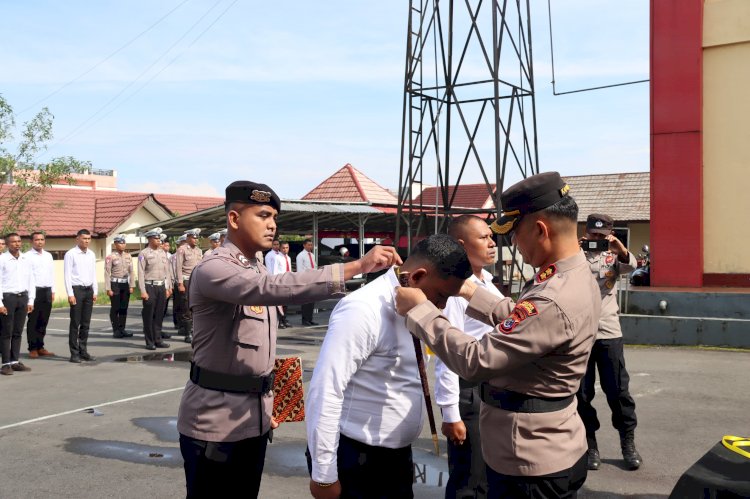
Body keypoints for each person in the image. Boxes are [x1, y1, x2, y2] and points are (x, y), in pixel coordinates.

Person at [177, 180, 401, 499]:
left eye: (275, 219)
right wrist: (357, 265)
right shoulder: (215, 268)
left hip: (253, 421)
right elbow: (275, 289)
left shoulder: (255, 269)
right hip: (214, 426)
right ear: (234, 219)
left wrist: (269, 404)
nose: (272, 225)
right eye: (264, 215)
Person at [395, 172, 600, 498]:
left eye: (514, 233)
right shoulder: (572, 274)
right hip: (548, 446)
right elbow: (522, 319)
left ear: (540, 230)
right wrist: (465, 288)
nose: (511, 243)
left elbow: (477, 360)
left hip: (530, 462)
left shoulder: (553, 296)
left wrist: (421, 310)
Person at [307, 234, 471, 499]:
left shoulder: (417, 306)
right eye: (441, 296)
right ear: (416, 277)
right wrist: (324, 474)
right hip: (356, 460)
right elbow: (326, 391)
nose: (442, 307)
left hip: (395, 459)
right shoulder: (364, 309)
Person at [438, 215, 504, 498]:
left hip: (490, 388)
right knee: (469, 479)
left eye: (492, 237)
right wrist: (451, 412)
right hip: (468, 392)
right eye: (484, 238)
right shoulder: (455, 290)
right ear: (461, 245)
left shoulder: (486, 281)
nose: (492, 244)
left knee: (487, 475)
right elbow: (447, 353)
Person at [577, 214, 642, 471]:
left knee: (618, 392)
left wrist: (620, 248)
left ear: (611, 235)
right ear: (586, 232)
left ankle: (628, 442)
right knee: (581, 394)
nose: (598, 240)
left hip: (608, 332)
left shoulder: (614, 256)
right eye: (593, 235)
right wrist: (574, 249)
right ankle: (590, 445)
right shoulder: (574, 255)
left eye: (603, 236)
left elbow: (632, 266)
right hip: (580, 335)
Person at [0, 233, 35, 375]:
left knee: (18, 331)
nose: (17, 244)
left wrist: (31, 300)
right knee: (6, 332)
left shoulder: (26, 259)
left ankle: (15, 361)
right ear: (7, 244)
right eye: (14, 242)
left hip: (23, 297)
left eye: (19, 241)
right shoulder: (2, 259)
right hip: (8, 298)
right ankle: (5, 364)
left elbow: (31, 280)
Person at [64, 229, 98, 363]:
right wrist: (70, 294)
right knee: (75, 323)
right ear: (77, 239)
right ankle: (74, 353)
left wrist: (95, 291)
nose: (87, 241)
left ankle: (83, 350)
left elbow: (93, 273)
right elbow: (67, 275)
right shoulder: (71, 254)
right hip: (77, 290)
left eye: (89, 239)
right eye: (84, 238)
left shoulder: (91, 254)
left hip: (88, 290)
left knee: (86, 323)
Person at [138, 228, 173, 351]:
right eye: (156, 238)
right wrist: (143, 290)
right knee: (149, 315)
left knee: (159, 314)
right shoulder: (144, 253)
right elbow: (141, 273)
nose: (159, 241)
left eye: (159, 238)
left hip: (161, 286)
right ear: (150, 239)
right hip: (150, 286)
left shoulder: (163, 253)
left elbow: (167, 271)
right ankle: (149, 341)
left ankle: (158, 339)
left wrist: (168, 287)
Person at [25, 231, 56, 358]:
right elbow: (26, 276)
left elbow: (51, 274)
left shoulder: (48, 255)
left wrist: (53, 290)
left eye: (42, 239)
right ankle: (32, 348)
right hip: (34, 291)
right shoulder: (26, 256)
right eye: (37, 240)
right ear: (31, 242)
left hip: (47, 290)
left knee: (44, 320)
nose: (40, 242)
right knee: (33, 320)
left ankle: (40, 346)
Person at [175, 229, 203, 344]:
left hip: (197, 281)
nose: (195, 240)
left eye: (196, 238)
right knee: (187, 307)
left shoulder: (199, 250)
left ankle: (196, 331)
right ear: (187, 238)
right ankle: (188, 333)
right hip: (186, 280)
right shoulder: (182, 250)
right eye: (193, 237)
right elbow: (178, 267)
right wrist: (180, 283)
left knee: (197, 307)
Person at [105, 234, 134, 339]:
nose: (123, 245)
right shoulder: (110, 256)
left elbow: (131, 271)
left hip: (125, 284)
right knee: (115, 307)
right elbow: (107, 273)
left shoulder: (128, 256)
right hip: (115, 284)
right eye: (120, 243)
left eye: (124, 243)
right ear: (115, 244)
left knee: (124, 308)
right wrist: (108, 288)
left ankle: (122, 329)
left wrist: (131, 285)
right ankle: (116, 330)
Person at [296, 238, 318, 326]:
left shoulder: (312, 255)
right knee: (305, 301)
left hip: (313, 280)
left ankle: (310, 319)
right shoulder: (300, 256)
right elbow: (300, 269)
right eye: (308, 245)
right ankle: (305, 320)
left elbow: (315, 266)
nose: (310, 247)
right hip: (305, 281)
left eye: (311, 245)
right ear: (304, 245)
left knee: (312, 301)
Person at [172, 234, 187, 337]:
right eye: (183, 242)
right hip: (178, 282)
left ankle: (185, 325)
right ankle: (179, 324)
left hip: (185, 281)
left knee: (185, 305)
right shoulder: (174, 256)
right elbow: (174, 269)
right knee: (178, 305)